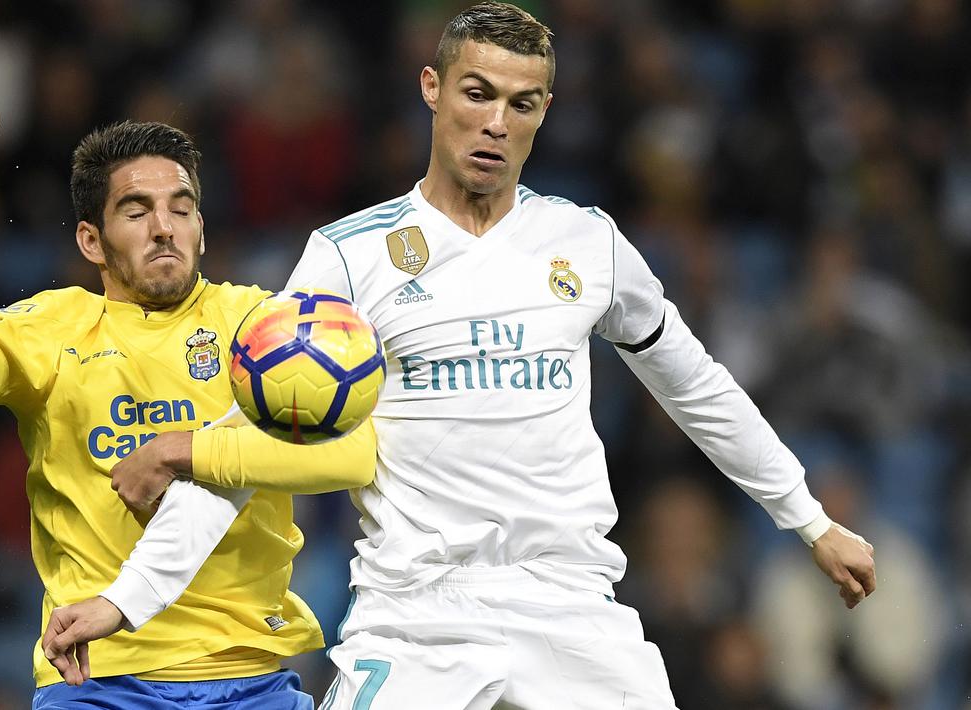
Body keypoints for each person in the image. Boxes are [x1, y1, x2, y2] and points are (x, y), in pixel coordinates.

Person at [47, 3, 878, 708]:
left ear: (544, 110)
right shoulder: (349, 257)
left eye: (521, 104)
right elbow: (248, 438)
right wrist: (127, 600)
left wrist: (807, 520)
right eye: (477, 94)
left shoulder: (587, 244)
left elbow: (696, 386)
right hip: (417, 617)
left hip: (571, 605)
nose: (495, 123)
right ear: (432, 89)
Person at [0, 97, 375, 709]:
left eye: (181, 209)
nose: (164, 226)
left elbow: (353, 454)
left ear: (202, 230)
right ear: (91, 239)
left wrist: (180, 452)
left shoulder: (259, 327)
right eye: (136, 212)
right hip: (97, 679)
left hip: (248, 674)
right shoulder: (51, 330)